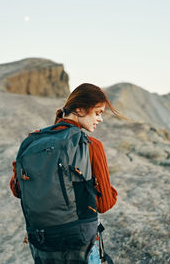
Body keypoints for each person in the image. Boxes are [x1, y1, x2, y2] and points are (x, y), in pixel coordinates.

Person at [9, 83, 119, 263]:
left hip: (42, 242)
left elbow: (17, 190)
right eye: (98, 113)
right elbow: (104, 204)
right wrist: (107, 189)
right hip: (79, 242)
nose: (100, 119)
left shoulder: (31, 141)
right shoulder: (91, 146)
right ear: (80, 109)